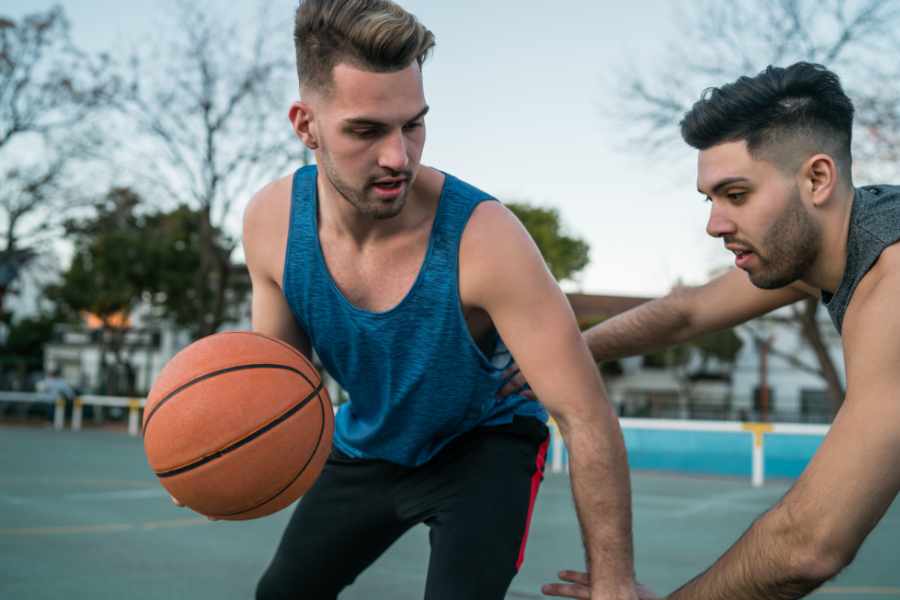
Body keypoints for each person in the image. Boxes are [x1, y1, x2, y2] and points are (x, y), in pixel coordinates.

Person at [241, 1, 639, 599]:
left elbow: (586, 417)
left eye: (413, 124)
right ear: (306, 125)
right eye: (366, 130)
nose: (398, 156)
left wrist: (613, 583)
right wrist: (204, 458)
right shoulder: (272, 225)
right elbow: (279, 390)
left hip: (482, 448)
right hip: (368, 446)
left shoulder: (487, 240)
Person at [519, 62, 900, 599]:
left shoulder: (892, 284)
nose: (715, 224)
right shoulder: (838, 235)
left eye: (737, 195)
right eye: (710, 199)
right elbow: (687, 311)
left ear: (817, 179)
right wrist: (560, 356)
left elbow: (807, 545)